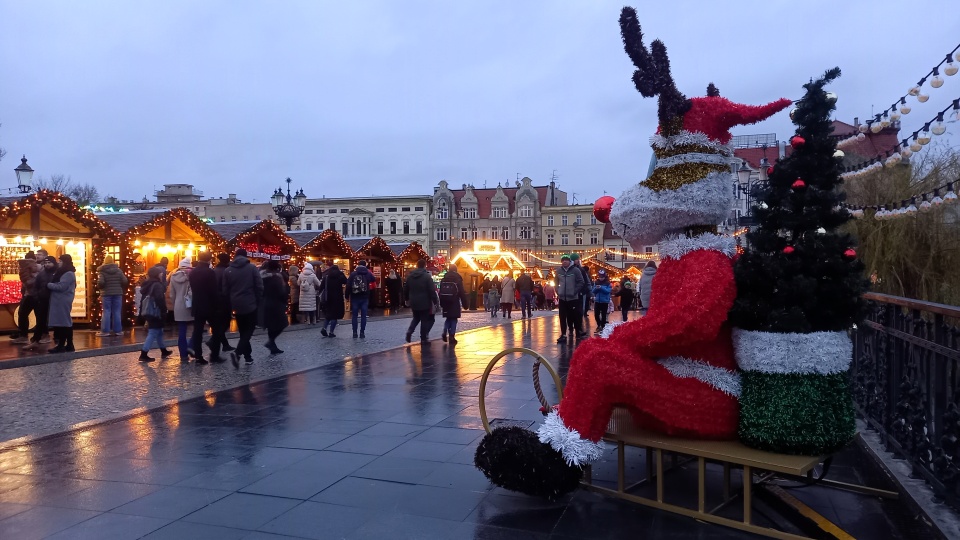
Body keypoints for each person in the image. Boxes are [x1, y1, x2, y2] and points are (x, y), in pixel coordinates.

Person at [223, 248, 263, 365]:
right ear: (246, 257)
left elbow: (225, 290)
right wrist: (258, 299)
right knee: (249, 330)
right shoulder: (252, 268)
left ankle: (248, 356)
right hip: (251, 303)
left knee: (243, 330)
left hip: (236, 303)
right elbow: (259, 285)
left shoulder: (228, 270)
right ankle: (238, 353)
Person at [189, 251, 220, 364]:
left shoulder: (193, 272)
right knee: (217, 330)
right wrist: (217, 305)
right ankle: (215, 355)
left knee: (197, 331)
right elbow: (213, 291)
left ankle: (198, 356)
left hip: (197, 304)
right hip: (209, 305)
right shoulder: (209, 272)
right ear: (209, 260)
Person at [138, 266, 172, 362]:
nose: (162, 274)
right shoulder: (157, 285)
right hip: (155, 311)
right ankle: (144, 353)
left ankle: (163, 350)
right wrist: (163, 310)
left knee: (159, 331)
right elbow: (159, 299)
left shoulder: (147, 284)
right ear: (157, 275)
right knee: (153, 332)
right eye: (160, 273)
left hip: (149, 311)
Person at [23, 256, 56, 351]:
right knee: (40, 320)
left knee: (56, 321)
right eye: (46, 263)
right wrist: (37, 297)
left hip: (54, 301)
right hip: (42, 300)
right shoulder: (42, 274)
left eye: (49, 262)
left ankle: (59, 341)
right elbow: (35, 287)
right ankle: (36, 341)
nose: (47, 265)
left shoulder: (57, 273)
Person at [46, 254, 78, 353]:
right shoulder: (65, 272)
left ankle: (63, 345)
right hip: (60, 300)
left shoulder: (68, 273)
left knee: (64, 322)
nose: (59, 263)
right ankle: (67, 344)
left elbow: (61, 287)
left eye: (60, 262)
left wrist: (48, 284)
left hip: (62, 300)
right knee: (62, 322)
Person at [404, 259, 439, 343]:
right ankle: (423, 338)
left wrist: (406, 299)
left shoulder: (410, 276)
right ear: (424, 265)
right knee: (424, 320)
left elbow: (406, 289)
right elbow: (431, 290)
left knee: (416, 318)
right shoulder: (427, 277)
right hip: (425, 301)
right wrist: (435, 301)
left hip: (414, 301)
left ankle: (410, 331)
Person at [555, 254, 585, 343]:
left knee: (574, 316)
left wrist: (574, 291)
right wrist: (557, 290)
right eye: (563, 260)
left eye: (566, 260)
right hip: (562, 298)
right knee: (562, 317)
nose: (564, 261)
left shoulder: (575, 270)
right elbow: (555, 281)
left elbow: (581, 282)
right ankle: (563, 334)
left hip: (573, 298)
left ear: (569, 261)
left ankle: (578, 332)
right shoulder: (559, 270)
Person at [96, 255, 128, 337]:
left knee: (106, 311)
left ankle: (105, 331)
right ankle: (118, 331)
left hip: (106, 294)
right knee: (117, 311)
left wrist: (100, 287)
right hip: (118, 293)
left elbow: (101, 283)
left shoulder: (102, 271)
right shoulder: (118, 271)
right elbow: (125, 281)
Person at [261, 260, 289, 354]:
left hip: (265, 302)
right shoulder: (276, 277)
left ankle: (272, 346)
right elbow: (281, 292)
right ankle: (271, 341)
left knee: (271, 325)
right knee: (283, 323)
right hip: (276, 304)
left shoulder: (262, 276)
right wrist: (285, 298)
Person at [168, 257, 194, 362]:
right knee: (196, 329)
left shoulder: (173, 276)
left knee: (181, 332)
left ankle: (183, 355)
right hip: (190, 305)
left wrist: (175, 304)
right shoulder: (192, 276)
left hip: (178, 305)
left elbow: (171, 294)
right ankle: (190, 346)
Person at [13, 251, 41, 344]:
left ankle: (27, 336)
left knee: (24, 313)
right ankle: (30, 336)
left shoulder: (38, 268)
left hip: (33, 295)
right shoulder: (37, 267)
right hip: (31, 294)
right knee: (26, 314)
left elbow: (30, 282)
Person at [209, 253, 235, 355]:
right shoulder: (227, 271)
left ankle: (224, 344)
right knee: (224, 324)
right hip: (224, 300)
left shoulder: (215, 271)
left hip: (215, 300)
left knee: (220, 324)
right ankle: (213, 341)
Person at [439, 264, 468, 345]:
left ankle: (445, 330)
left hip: (445, 301)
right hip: (454, 301)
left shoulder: (444, 279)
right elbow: (461, 292)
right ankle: (452, 336)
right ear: (456, 270)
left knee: (448, 318)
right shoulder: (458, 279)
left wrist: (441, 303)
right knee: (454, 319)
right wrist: (465, 304)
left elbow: (440, 292)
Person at [347, 260, 377, 339]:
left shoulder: (353, 273)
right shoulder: (367, 273)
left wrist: (347, 295)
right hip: (364, 297)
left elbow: (348, 285)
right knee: (363, 316)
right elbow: (373, 279)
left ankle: (354, 333)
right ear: (365, 265)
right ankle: (362, 332)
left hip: (355, 296)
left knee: (354, 315)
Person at [320, 263, 347, 337]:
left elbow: (321, 287)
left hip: (328, 298)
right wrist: (341, 273)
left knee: (328, 314)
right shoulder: (339, 276)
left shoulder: (326, 277)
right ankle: (331, 332)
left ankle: (324, 328)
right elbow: (345, 281)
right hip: (337, 298)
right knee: (335, 315)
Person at [570, 254, 593, 323]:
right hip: (572, 292)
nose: (578, 260)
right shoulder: (569, 270)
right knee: (572, 310)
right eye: (576, 259)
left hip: (582, 291)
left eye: (578, 259)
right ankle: (574, 325)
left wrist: (590, 291)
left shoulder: (581, 270)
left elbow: (587, 281)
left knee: (581, 309)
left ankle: (579, 325)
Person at [592, 269, 612, 335]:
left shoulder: (608, 283)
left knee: (603, 315)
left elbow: (608, 291)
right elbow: (593, 291)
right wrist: (596, 288)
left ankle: (603, 326)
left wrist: (601, 288)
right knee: (596, 314)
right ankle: (599, 325)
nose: (601, 278)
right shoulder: (596, 282)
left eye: (602, 277)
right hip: (597, 301)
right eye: (600, 277)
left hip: (604, 301)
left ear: (604, 276)